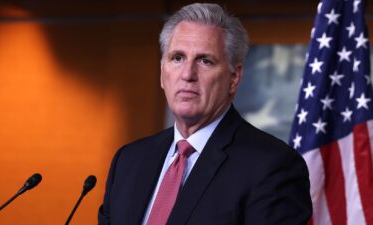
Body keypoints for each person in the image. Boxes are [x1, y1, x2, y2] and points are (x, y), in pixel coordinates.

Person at [98, 3, 312, 225]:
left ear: (234, 78)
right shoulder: (129, 161)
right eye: (177, 58)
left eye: (205, 61)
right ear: (163, 73)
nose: (188, 74)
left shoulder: (273, 167)